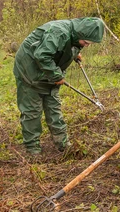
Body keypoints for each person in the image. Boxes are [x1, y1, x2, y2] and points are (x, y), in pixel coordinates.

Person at [13, 17, 104, 155]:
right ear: (81, 33)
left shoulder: (75, 36)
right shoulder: (59, 32)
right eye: (85, 42)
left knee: (54, 107)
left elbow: (62, 47)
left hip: (48, 72)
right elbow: (42, 55)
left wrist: (74, 53)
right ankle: (33, 150)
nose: (87, 45)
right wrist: (56, 75)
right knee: (32, 111)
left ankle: (62, 143)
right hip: (29, 71)